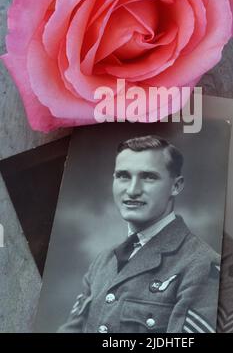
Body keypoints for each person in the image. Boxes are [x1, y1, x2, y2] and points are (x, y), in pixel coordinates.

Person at [58, 135, 220, 333]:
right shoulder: (104, 261)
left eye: (149, 177)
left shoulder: (201, 264)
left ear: (176, 186)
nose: (133, 190)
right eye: (123, 176)